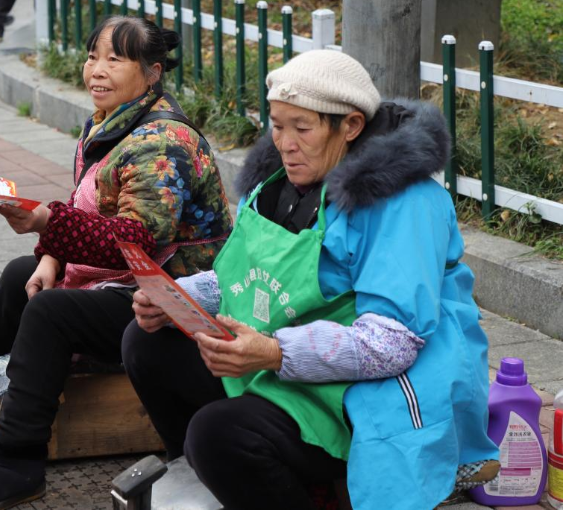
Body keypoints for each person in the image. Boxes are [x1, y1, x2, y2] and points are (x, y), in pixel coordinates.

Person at [123, 50, 500, 510]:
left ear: (352, 126)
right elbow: (239, 279)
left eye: (303, 128)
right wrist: (175, 298)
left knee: (219, 433)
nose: (285, 143)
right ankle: (222, 482)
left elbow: (392, 343)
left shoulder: (404, 203)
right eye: (277, 125)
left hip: (370, 386)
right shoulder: (278, 184)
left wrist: (275, 352)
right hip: (290, 357)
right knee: (148, 343)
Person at [0, 16, 231, 509]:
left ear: (152, 73)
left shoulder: (163, 142)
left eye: (115, 59)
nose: (96, 71)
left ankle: (17, 460)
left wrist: (45, 224)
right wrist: (51, 255)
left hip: (172, 298)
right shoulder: (111, 120)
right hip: (127, 280)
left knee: (50, 313)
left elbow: (134, 241)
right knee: (24, 274)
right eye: (91, 57)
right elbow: (87, 209)